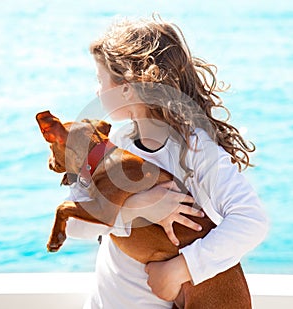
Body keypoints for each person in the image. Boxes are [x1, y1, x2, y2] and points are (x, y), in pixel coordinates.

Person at [66, 15, 268, 308]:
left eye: (100, 80)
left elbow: (252, 221)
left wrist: (181, 269)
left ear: (127, 88)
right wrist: (133, 208)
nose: (96, 91)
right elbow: (72, 224)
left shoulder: (196, 150)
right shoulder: (114, 145)